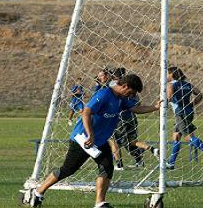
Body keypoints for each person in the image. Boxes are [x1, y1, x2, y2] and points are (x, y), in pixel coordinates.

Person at [26, 74, 161, 208]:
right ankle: (38, 193)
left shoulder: (121, 97)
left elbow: (135, 109)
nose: (131, 95)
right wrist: (90, 135)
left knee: (107, 168)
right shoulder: (104, 94)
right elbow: (86, 112)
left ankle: (100, 203)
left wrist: (155, 107)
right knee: (68, 169)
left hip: (100, 141)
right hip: (83, 140)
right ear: (124, 86)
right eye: (130, 92)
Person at [165, 67, 203, 170]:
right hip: (189, 112)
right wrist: (192, 104)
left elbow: (169, 98)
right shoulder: (187, 84)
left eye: (167, 74)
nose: (166, 76)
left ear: (171, 74)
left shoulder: (171, 85)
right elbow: (199, 94)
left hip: (180, 113)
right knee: (176, 136)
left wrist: (162, 105)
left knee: (188, 137)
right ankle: (171, 163)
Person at [108, 68, 159, 170]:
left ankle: (119, 165)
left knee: (114, 141)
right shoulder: (133, 92)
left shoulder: (116, 87)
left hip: (120, 119)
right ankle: (149, 151)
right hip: (132, 118)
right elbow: (138, 105)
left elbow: (111, 83)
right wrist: (155, 107)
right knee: (132, 141)